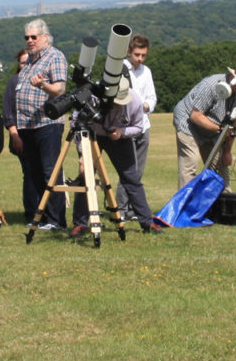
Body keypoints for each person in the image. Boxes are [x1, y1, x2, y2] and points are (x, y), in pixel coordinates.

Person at [69, 76, 160, 238]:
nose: (118, 104)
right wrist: (82, 152)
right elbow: (76, 120)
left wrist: (122, 132)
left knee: (131, 178)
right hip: (91, 135)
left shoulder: (135, 102)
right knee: (85, 178)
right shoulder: (92, 96)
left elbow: (138, 127)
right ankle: (80, 224)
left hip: (119, 138)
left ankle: (147, 222)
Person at [15, 19, 68, 230]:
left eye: (33, 37)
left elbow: (60, 90)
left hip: (47, 123)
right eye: (26, 37)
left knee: (51, 171)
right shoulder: (30, 59)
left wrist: (43, 85)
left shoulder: (54, 56)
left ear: (45, 37)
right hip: (28, 125)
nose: (29, 41)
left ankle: (56, 220)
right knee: (34, 172)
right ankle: (41, 217)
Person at [173, 71, 236, 190]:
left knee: (221, 168)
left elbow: (232, 126)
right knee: (190, 164)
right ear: (232, 76)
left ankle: (226, 206)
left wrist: (227, 151)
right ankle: (185, 206)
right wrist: (219, 129)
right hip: (188, 123)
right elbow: (195, 116)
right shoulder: (212, 85)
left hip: (214, 127)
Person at [116, 34, 157, 219]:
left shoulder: (146, 71)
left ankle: (133, 209)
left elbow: (152, 98)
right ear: (129, 52)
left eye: (143, 55)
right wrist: (140, 106)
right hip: (126, 126)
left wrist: (143, 106)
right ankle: (120, 209)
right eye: (137, 54)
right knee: (128, 170)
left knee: (138, 171)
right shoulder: (121, 69)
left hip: (144, 125)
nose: (140, 59)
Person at [3, 48, 29, 204]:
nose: (26, 65)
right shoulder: (13, 82)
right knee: (29, 172)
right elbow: (7, 112)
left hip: (40, 134)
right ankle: (31, 212)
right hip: (21, 135)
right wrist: (15, 136)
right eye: (23, 62)